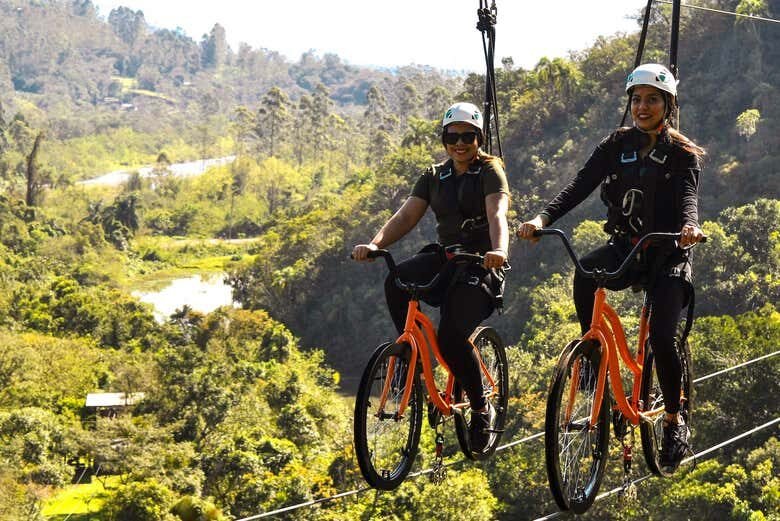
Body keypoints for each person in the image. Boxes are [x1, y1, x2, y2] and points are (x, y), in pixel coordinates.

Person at [516, 63, 705, 473]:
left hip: (669, 255)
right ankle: (593, 357)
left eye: (652, 100)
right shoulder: (615, 145)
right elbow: (579, 186)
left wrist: (690, 227)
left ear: (668, 105)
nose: (642, 107)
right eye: (636, 100)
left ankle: (674, 421)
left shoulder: (683, 155)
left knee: (662, 338)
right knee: (585, 272)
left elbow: (689, 198)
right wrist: (542, 219)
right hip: (626, 248)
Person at [352, 102, 510, 455]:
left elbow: (497, 213)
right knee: (396, 280)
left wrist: (499, 249)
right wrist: (375, 245)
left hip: (480, 265)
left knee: (451, 338)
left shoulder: (490, 171)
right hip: (446, 259)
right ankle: (409, 356)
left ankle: (481, 409)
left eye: (467, 136)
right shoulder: (434, 175)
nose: (460, 143)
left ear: (479, 138)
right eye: (452, 137)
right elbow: (406, 216)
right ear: (444, 140)